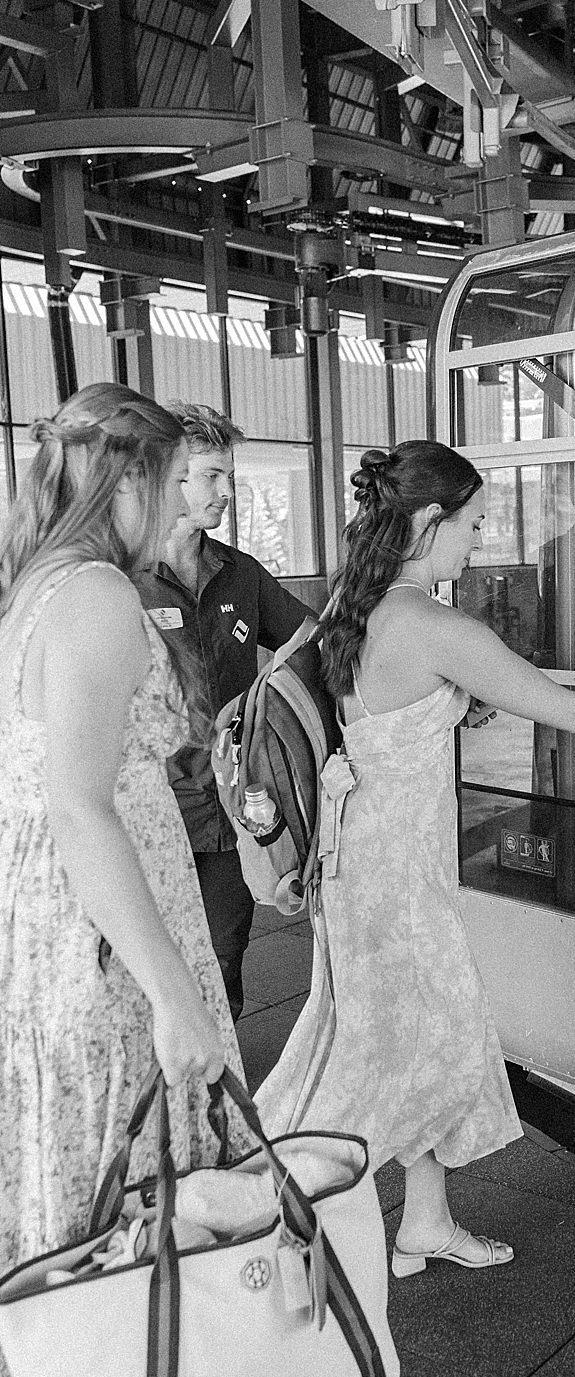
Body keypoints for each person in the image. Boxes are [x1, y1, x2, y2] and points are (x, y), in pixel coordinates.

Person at [257, 441, 575, 1277]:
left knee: (405, 1035)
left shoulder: (364, 602)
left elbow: (388, 705)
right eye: (475, 524)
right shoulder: (435, 622)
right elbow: (565, 711)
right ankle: (266, 1220)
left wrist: (452, 707)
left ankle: (421, 1219)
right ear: (429, 522)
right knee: (381, 1049)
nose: (481, 542)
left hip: (368, 864)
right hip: (399, 879)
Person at [0, 386, 243, 1377]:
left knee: (66, 1193)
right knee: (105, 1188)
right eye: (178, 476)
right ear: (131, 478)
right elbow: (87, 810)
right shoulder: (94, 593)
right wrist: (176, 991)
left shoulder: (37, 584)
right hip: (105, 936)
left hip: (56, 926)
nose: (191, 506)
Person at [132, 404, 314, 1023]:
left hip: (229, 814)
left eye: (230, 476)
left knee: (221, 961)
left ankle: (219, 1104)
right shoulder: (117, 581)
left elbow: (314, 647)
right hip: (147, 815)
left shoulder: (241, 575)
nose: (228, 492)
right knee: (144, 975)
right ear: (170, 475)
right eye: (212, 475)